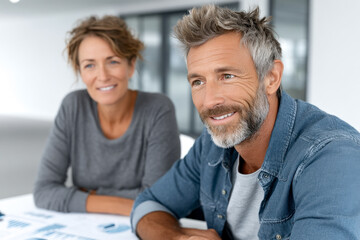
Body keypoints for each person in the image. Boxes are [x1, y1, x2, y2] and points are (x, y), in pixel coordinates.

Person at [131, 5, 360, 239]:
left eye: (227, 76)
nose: (210, 100)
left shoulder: (332, 156)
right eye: (198, 81)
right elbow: (148, 205)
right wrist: (176, 238)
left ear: (271, 78)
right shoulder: (211, 145)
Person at [33, 15, 181, 216]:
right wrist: (131, 202)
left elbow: (160, 199)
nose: (102, 76)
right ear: (80, 72)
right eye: (89, 65)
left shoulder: (157, 109)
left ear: (131, 65)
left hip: (146, 226)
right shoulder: (73, 106)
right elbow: (44, 191)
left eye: (112, 61)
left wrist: (88, 195)